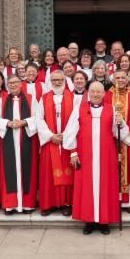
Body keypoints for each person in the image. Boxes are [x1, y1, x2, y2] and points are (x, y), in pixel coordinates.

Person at [63, 82, 120, 235]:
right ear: (88, 93)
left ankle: (104, 222)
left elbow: (119, 133)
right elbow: (70, 131)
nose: (95, 94)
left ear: (103, 94)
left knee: (105, 186)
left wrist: (121, 124)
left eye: (98, 92)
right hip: (85, 154)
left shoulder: (112, 109)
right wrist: (73, 152)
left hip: (106, 155)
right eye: (93, 91)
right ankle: (89, 221)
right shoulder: (79, 108)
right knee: (86, 186)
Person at [0, 75, 39, 214]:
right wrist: (8, 123)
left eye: (15, 82)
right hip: (9, 139)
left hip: (26, 139)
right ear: (7, 85)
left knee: (27, 170)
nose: (13, 85)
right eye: (10, 83)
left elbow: (38, 117)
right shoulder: (2, 100)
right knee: (10, 171)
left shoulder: (31, 99)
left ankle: (27, 204)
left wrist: (24, 122)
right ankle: (10, 204)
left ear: (21, 84)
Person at [34, 69, 74, 216]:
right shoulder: (44, 98)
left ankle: (66, 203)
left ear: (64, 81)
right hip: (50, 141)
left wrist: (65, 135)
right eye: (54, 80)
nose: (57, 82)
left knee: (68, 173)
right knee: (48, 174)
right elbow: (39, 119)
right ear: (50, 82)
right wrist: (51, 136)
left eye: (60, 80)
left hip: (67, 141)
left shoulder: (72, 97)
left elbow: (75, 120)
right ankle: (48, 204)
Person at [107, 69, 130, 213]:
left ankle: (129, 202)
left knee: (129, 167)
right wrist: (113, 131)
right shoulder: (107, 95)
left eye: (123, 77)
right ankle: (113, 201)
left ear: (127, 79)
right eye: (118, 78)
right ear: (113, 80)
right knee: (112, 170)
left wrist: (124, 133)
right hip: (111, 140)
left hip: (128, 142)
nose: (121, 80)